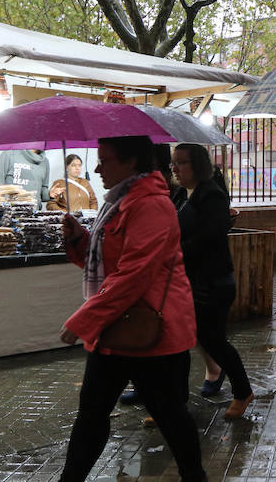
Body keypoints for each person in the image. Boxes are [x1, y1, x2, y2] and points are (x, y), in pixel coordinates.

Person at [57, 136, 205, 482]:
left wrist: (85, 319)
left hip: (152, 329)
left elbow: (135, 273)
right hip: (115, 326)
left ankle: (196, 476)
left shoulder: (151, 204)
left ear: (132, 162)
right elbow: (110, 264)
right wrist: (79, 239)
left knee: (170, 415)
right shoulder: (120, 201)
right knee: (92, 414)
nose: (96, 168)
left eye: (104, 160)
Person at [172, 143, 254, 419]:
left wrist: (175, 251)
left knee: (214, 341)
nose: (174, 168)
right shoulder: (183, 194)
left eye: (181, 162)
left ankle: (242, 392)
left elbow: (210, 238)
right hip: (190, 280)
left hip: (213, 282)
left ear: (197, 164)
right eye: (173, 162)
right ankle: (175, 401)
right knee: (183, 340)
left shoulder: (212, 195)